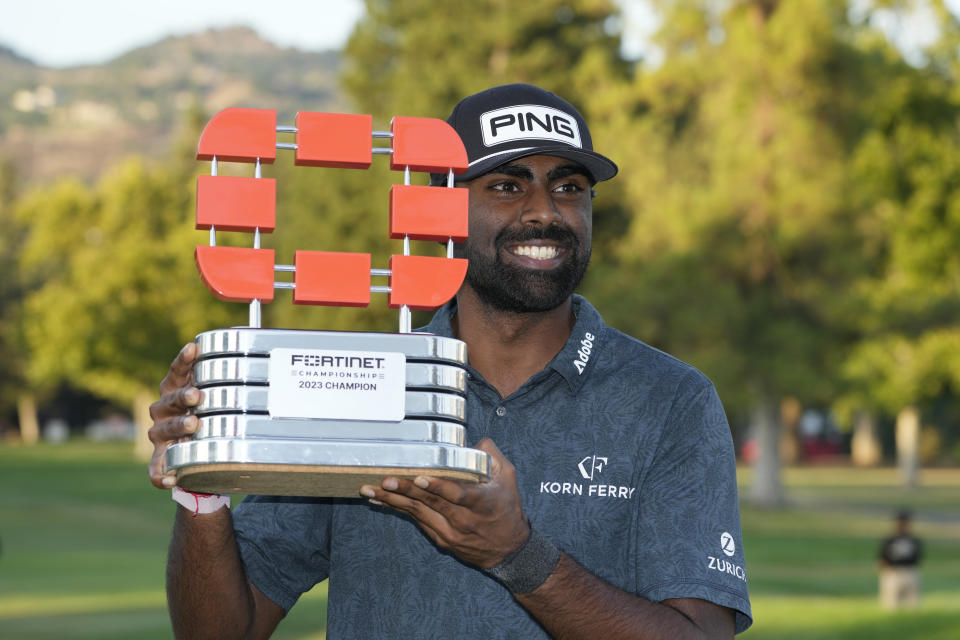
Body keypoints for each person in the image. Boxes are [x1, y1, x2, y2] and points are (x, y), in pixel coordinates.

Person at [148, 83, 752, 638]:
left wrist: (518, 557)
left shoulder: (670, 398)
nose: (545, 211)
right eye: (507, 185)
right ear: (438, 212)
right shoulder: (362, 388)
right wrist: (202, 489)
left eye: (569, 187)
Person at [877, 510, 922, 609]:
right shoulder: (890, 539)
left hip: (909, 570)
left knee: (911, 604)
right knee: (891, 603)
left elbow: (918, 557)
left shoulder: (913, 539)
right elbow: (882, 557)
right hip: (893, 572)